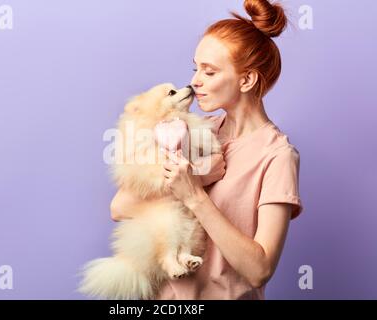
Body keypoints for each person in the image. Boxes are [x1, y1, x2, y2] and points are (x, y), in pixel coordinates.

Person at [110, 0, 303, 299]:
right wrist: (198, 177)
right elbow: (120, 207)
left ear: (247, 79)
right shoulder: (193, 129)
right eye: (195, 68)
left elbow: (259, 269)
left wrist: (194, 195)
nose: (194, 81)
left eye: (209, 72)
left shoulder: (276, 155)